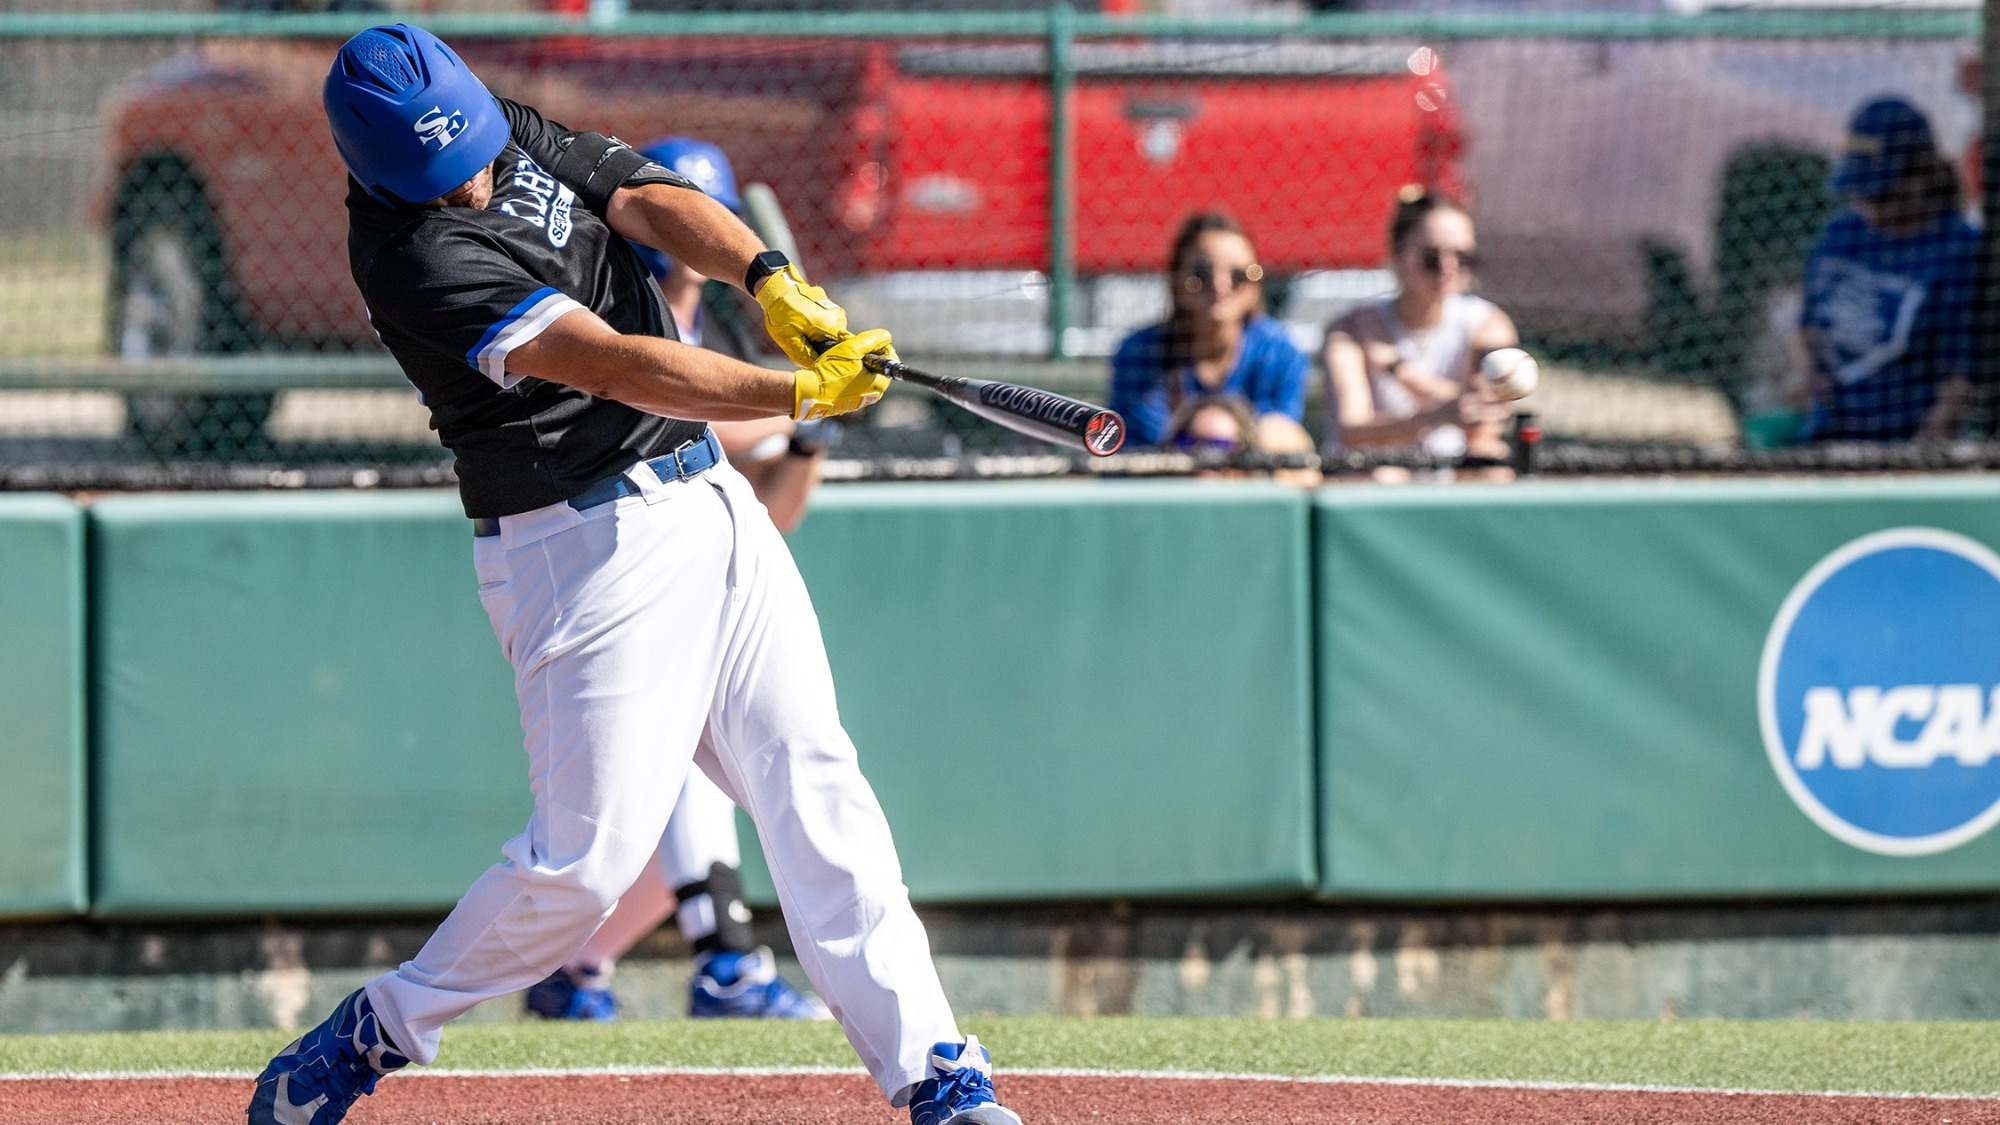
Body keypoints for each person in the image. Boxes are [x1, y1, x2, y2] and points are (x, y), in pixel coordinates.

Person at [250, 24, 1023, 1125]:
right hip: (582, 550)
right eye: (439, 168)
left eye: (467, 143)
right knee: (584, 867)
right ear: (373, 168)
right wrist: (790, 395)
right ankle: (386, 1023)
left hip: (711, 505)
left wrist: (768, 276)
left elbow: (643, 194)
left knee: (817, 788)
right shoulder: (415, 261)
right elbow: (621, 366)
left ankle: (937, 1073)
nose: (470, 173)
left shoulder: (497, 129)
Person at [523, 136, 831, 1024]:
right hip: (610, 564)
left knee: (653, 812)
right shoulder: (613, 303)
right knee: (669, 780)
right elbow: (663, 399)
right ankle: (726, 962)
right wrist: (795, 395)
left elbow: (777, 506)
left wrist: (806, 437)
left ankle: (575, 964)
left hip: (706, 569)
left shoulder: (714, 331)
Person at [1797, 95, 1977, 443]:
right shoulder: (1843, 232)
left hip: (1906, 443)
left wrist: (1916, 462)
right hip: (1831, 433)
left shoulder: (1960, 252)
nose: (1868, 209)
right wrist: (1811, 372)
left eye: (1880, 195)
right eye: (1859, 194)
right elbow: (1806, 323)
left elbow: (1961, 379)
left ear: (1919, 178)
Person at [1321, 187, 1517, 473]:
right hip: (1372, 467)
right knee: (1387, 475)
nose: (1447, 268)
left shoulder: (1488, 324)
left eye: (1463, 257)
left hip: (1447, 466)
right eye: (1431, 256)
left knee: (1493, 464)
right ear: (1398, 255)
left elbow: (1484, 425)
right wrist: (1440, 414)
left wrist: (1400, 371)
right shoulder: (1352, 327)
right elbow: (1351, 430)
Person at [1108, 212, 1315, 455]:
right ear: (1176, 279)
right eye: (1202, 274)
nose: (1220, 285)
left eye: (1240, 275)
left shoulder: (1279, 352)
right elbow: (1148, 442)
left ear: (1256, 286)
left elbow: (1281, 436)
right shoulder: (1141, 351)